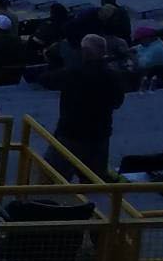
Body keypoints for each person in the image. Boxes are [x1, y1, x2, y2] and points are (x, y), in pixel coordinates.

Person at [55, 36, 129, 177]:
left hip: (71, 132)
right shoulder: (112, 75)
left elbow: (45, 79)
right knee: (94, 180)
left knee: (54, 176)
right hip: (100, 134)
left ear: (85, 52)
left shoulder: (73, 73)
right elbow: (118, 102)